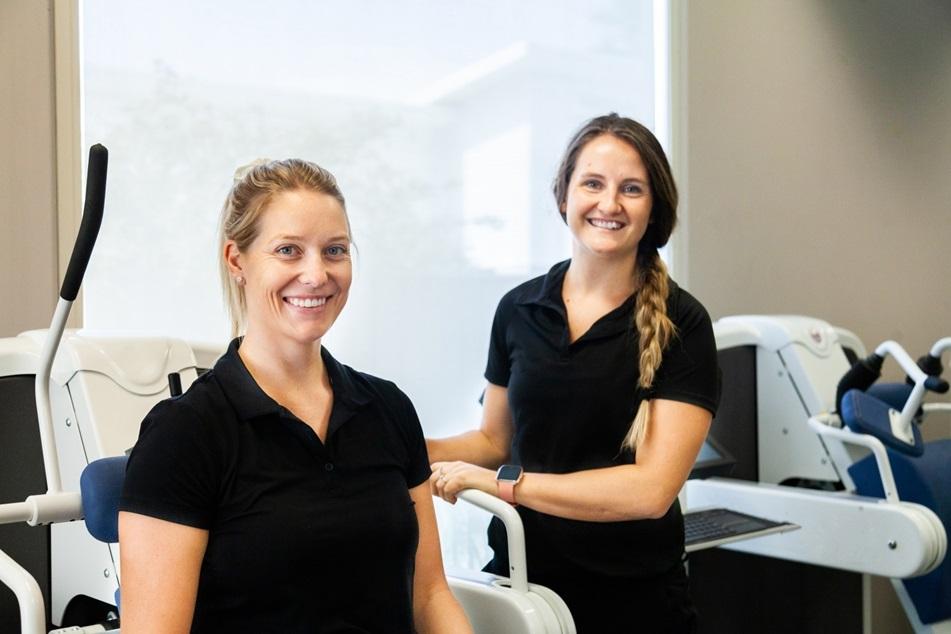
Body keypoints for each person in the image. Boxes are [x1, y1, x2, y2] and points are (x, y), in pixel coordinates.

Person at [118, 159, 472, 633]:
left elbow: (429, 596)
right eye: (288, 250)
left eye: (334, 250)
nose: (316, 274)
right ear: (237, 260)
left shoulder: (388, 409)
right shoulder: (186, 433)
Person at [427, 114, 719, 633]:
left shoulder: (683, 322)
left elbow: (650, 491)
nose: (609, 204)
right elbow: (494, 439)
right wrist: (405, 447)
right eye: (592, 183)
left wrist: (504, 487)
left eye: (631, 189)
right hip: (521, 589)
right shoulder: (518, 309)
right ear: (564, 195)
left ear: (653, 209)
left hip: (635, 603)